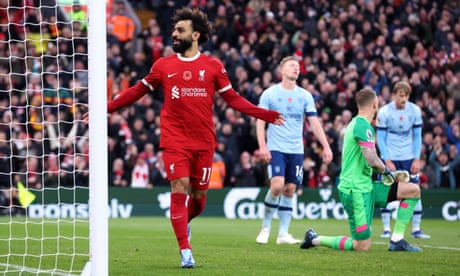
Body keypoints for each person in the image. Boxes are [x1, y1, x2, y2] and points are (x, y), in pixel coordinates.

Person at [102, 8, 284, 268]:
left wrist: (264, 114)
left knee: (198, 200)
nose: (174, 34)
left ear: (195, 35)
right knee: (179, 186)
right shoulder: (163, 65)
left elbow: (233, 99)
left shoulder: (213, 66)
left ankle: (184, 223)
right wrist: (105, 108)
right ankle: (185, 251)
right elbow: (136, 91)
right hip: (174, 139)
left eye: (180, 30)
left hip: (204, 142)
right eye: (174, 30)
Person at [300, 88, 422, 252]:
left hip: (367, 186)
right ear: (375, 104)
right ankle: (315, 239)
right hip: (355, 190)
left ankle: (397, 240)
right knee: (361, 246)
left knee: (413, 190)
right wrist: (389, 174)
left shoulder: (359, 125)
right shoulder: (361, 126)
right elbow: (371, 159)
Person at [255, 56, 333, 245]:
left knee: (290, 189)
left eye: (298, 67)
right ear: (282, 71)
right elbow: (260, 120)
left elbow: (314, 122)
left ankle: (283, 234)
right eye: (292, 66)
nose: (296, 69)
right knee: (276, 186)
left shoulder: (305, 96)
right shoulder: (270, 94)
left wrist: (326, 146)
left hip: (296, 150)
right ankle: (265, 227)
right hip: (276, 147)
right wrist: (262, 146)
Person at [375, 81, 430, 239]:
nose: (403, 99)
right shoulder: (385, 112)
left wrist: (416, 158)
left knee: (415, 189)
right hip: (391, 157)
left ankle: (416, 229)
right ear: (394, 95)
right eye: (400, 95)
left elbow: (418, 136)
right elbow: (381, 138)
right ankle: (386, 229)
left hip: (408, 157)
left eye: (406, 96)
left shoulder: (414, 111)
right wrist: (386, 159)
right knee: (386, 191)